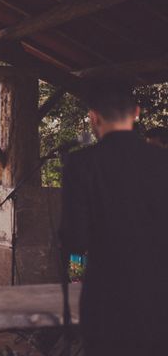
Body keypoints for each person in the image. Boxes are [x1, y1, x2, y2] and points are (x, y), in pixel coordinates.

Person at [60, 80, 168, 354]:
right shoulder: (162, 161)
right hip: (159, 296)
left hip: (106, 295)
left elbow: (75, 238)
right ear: (137, 112)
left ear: (93, 117)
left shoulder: (81, 163)